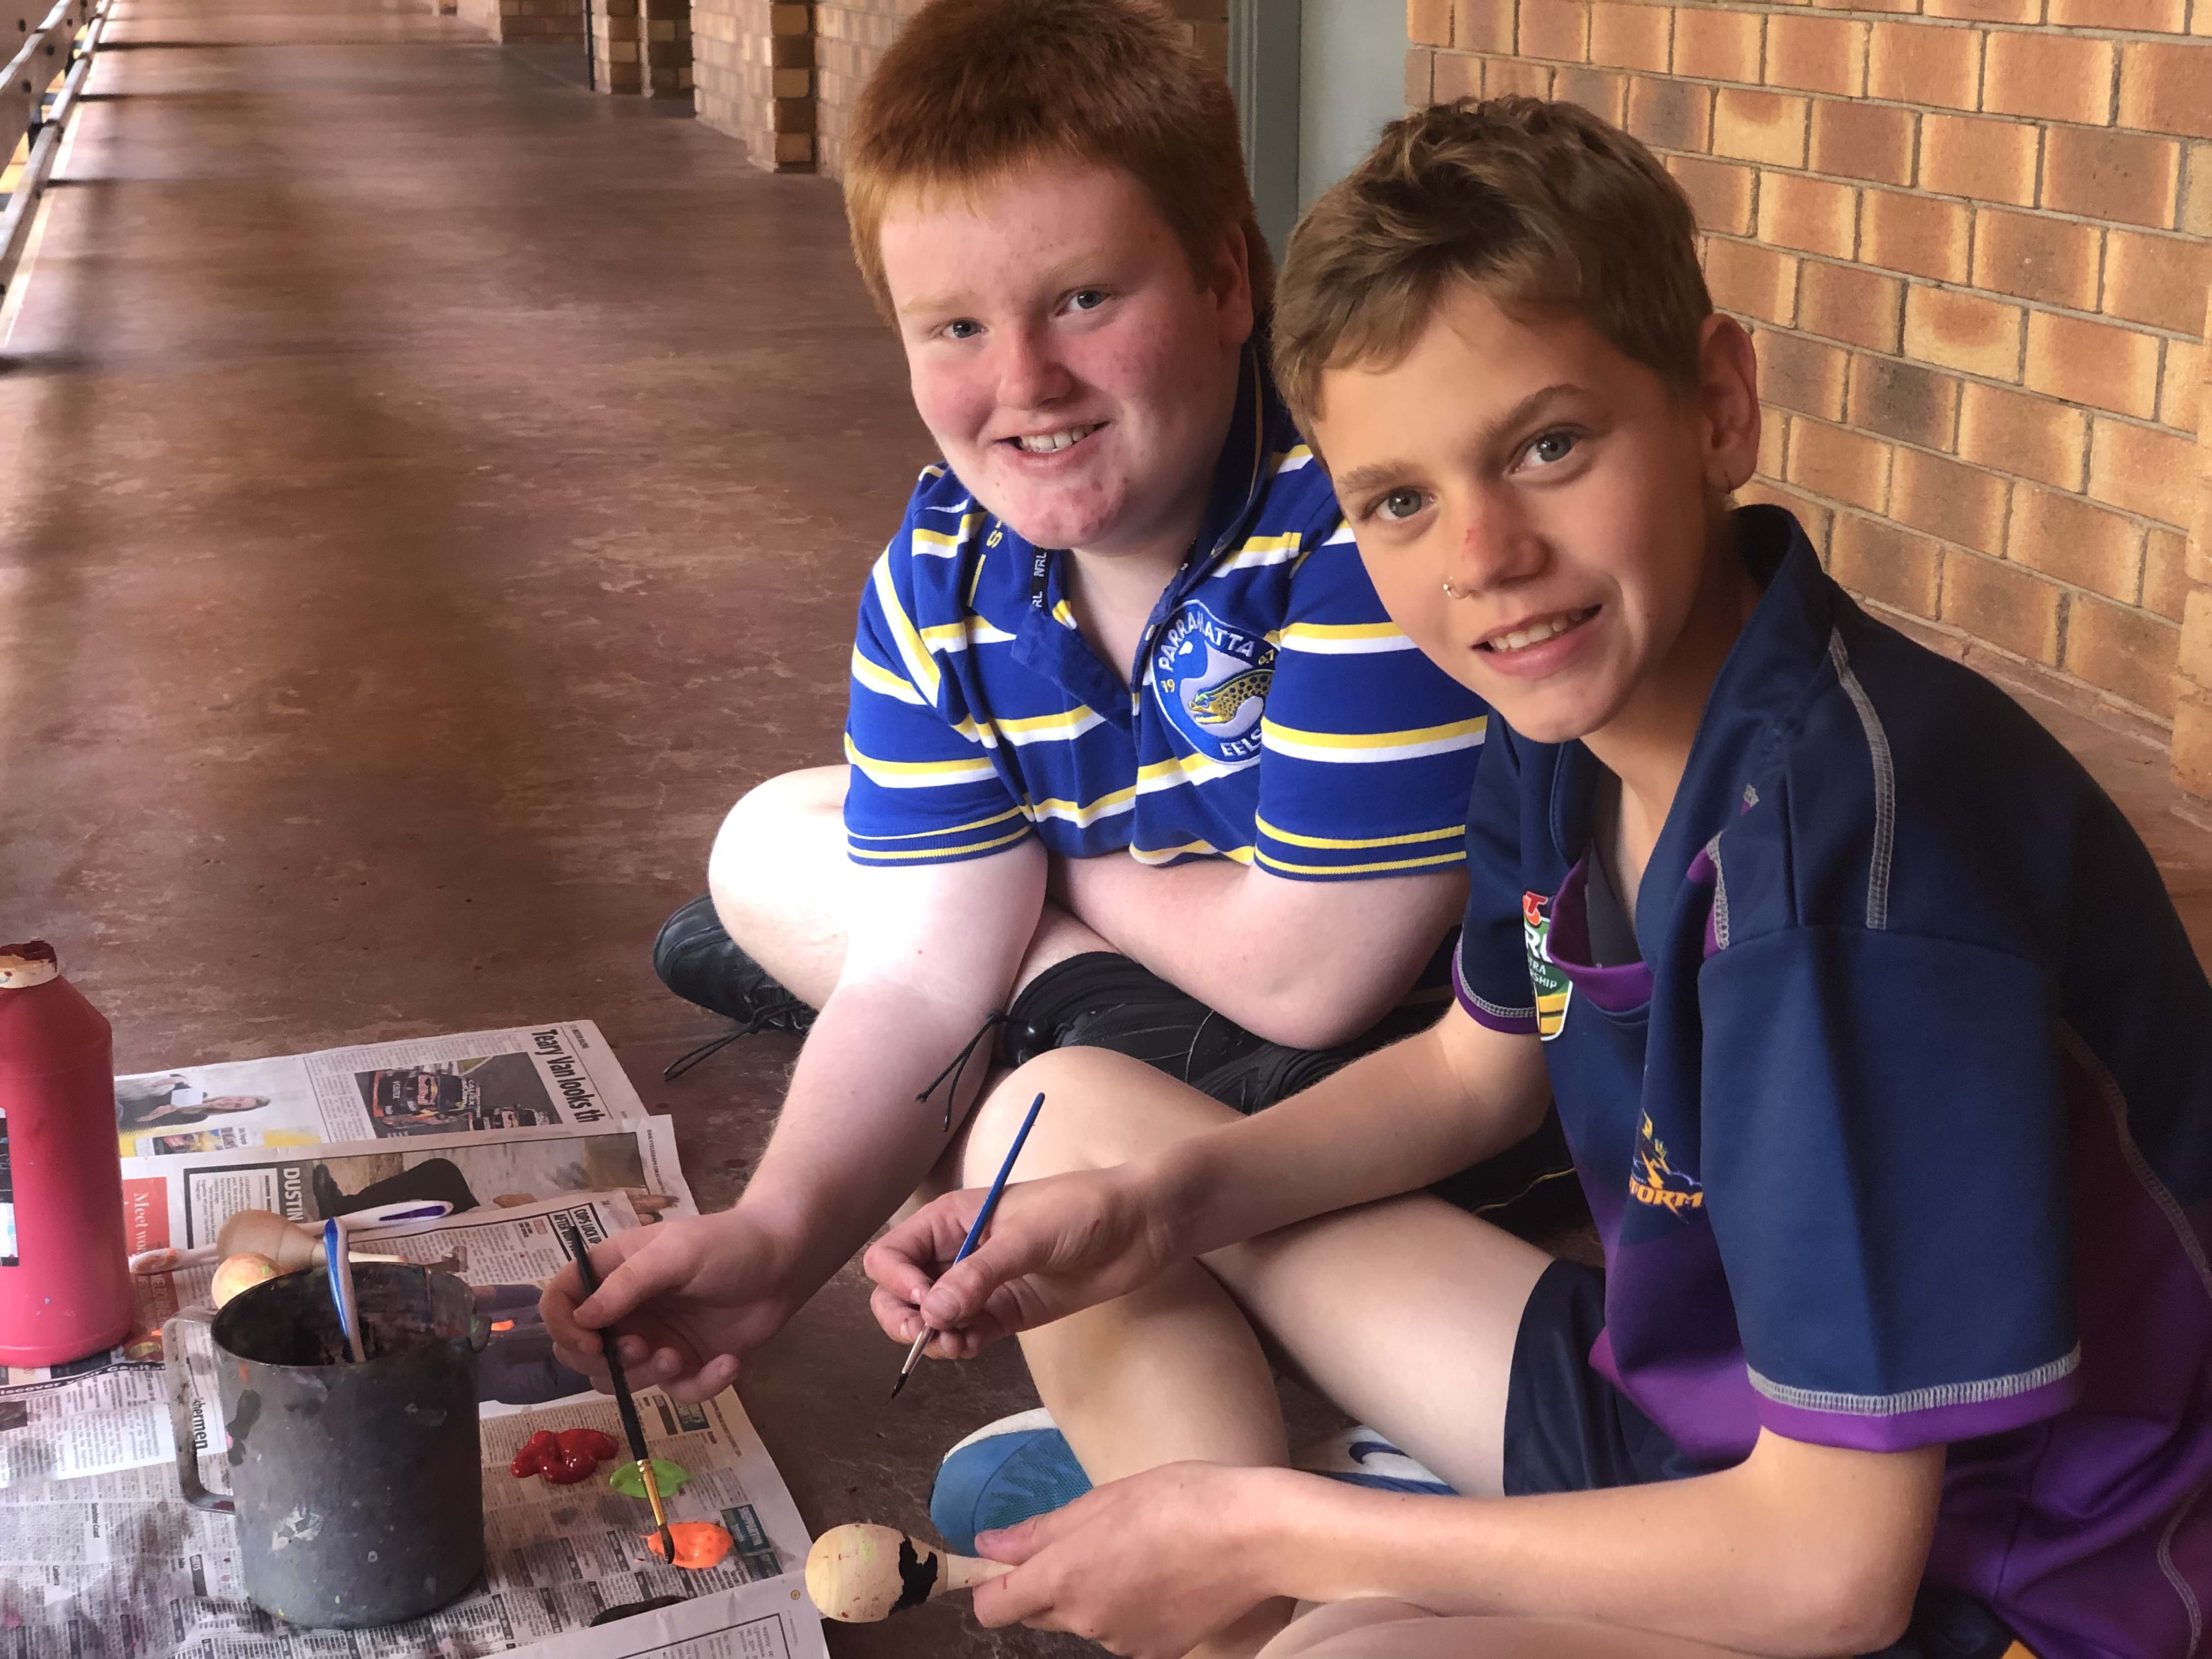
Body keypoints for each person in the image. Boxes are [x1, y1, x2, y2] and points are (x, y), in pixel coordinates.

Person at [862, 97, 2212, 1659]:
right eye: (1400, 500)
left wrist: (1257, 1527)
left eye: (1549, 447)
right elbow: (1471, 1073)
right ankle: (1308, 1555)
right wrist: (1159, 1214)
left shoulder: (1843, 871)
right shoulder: (1567, 727)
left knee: (1347, 1657)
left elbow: (1834, 1574)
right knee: (1064, 1129)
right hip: (1698, 1424)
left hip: (1983, 1579)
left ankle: (1307, 1553)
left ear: (1717, 408)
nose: (1484, 557)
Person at [545, 0, 1570, 1404]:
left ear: (1228, 281)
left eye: (1086, 299)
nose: (1026, 381)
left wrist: (1044, 870)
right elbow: (920, 982)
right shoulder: (938, 582)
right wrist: (778, 1239)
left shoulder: (1359, 520)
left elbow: (1310, 981)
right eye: (957, 327)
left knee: (1019, 1113)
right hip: (1186, 993)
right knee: (808, 871)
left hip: (1408, 1095)